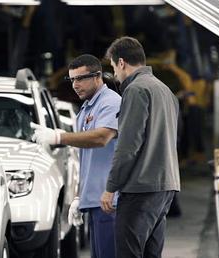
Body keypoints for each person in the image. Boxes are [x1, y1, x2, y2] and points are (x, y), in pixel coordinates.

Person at [32, 54, 121, 258]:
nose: (75, 85)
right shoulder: (86, 109)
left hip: (110, 202)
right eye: (72, 79)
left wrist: (58, 136)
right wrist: (81, 196)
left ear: (98, 76)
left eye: (80, 78)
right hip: (96, 200)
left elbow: (102, 138)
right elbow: (88, 160)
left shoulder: (111, 102)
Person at [100, 36, 181, 258]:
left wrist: (110, 187)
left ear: (122, 62)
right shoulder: (166, 91)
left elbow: (128, 146)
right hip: (165, 186)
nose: (115, 74)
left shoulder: (135, 90)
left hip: (140, 189)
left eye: (113, 67)